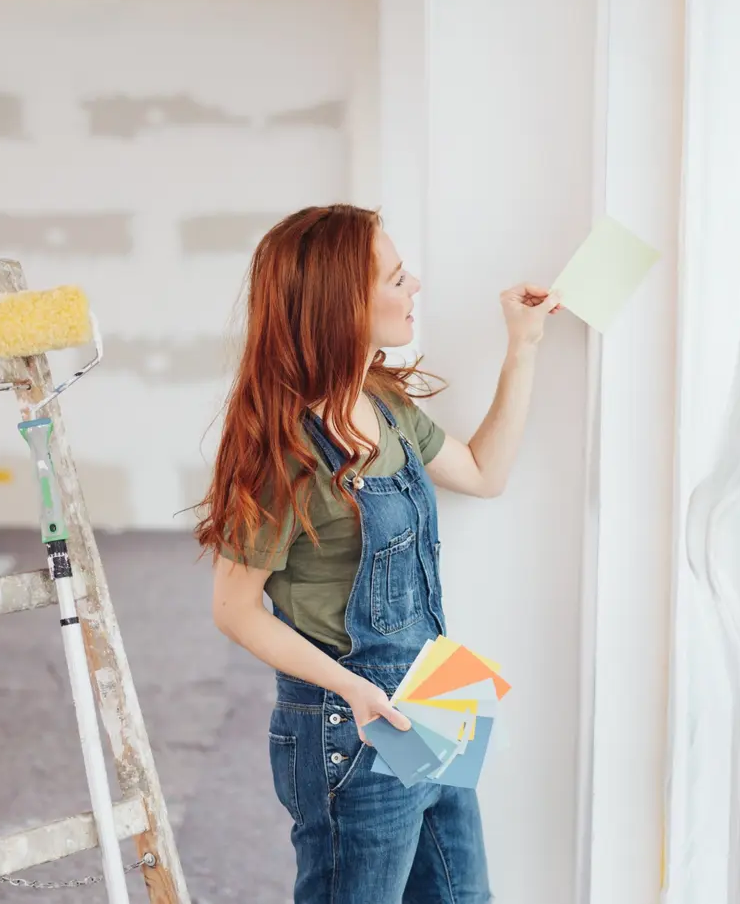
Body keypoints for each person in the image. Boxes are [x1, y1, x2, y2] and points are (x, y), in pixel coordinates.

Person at [194, 204, 561, 903]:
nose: (414, 285)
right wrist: (352, 688)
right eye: (395, 278)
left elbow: (484, 472)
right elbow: (234, 608)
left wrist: (524, 344)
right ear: (343, 305)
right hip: (353, 721)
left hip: (438, 694)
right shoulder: (286, 446)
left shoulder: (385, 406)